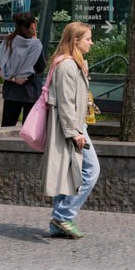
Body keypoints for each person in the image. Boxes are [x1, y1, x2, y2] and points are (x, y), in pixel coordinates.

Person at [41, 22, 100, 238]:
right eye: (88, 39)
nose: (91, 43)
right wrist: (74, 132)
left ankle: (57, 224)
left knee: (66, 173)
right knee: (91, 171)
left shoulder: (74, 63)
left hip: (73, 125)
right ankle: (63, 215)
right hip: (71, 127)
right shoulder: (67, 65)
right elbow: (65, 103)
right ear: (75, 40)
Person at [0, 12, 45, 127]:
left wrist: (13, 78)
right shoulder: (36, 45)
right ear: (33, 25)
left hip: (11, 91)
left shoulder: (8, 41)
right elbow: (40, 69)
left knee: (7, 128)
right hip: (31, 90)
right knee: (30, 130)